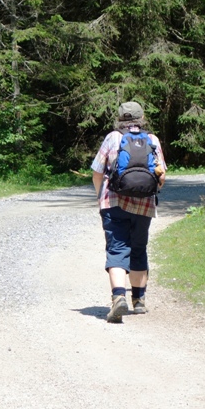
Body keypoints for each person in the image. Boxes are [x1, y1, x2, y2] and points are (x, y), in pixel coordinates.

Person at [90, 101, 166, 323]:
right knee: (139, 248)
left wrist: (99, 196)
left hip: (113, 202)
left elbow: (96, 171)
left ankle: (119, 298)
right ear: (142, 119)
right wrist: (149, 191)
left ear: (120, 118)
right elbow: (161, 175)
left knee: (117, 248)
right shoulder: (152, 140)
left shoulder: (113, 137)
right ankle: (139, 301)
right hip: (144, 205)